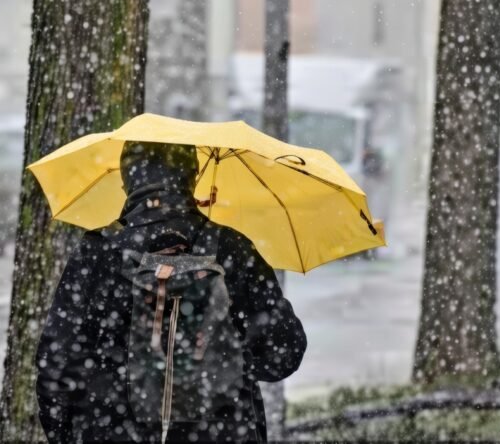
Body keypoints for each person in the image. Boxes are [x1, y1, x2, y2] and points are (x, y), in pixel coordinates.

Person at [36, 141, 307, 443]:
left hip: (112, 431)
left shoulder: (98, 251)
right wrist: (229, 359)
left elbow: (56, 363)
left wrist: (66, 433)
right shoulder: (232, 248)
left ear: (126, 181)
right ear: (193, 178)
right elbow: (284, 353)